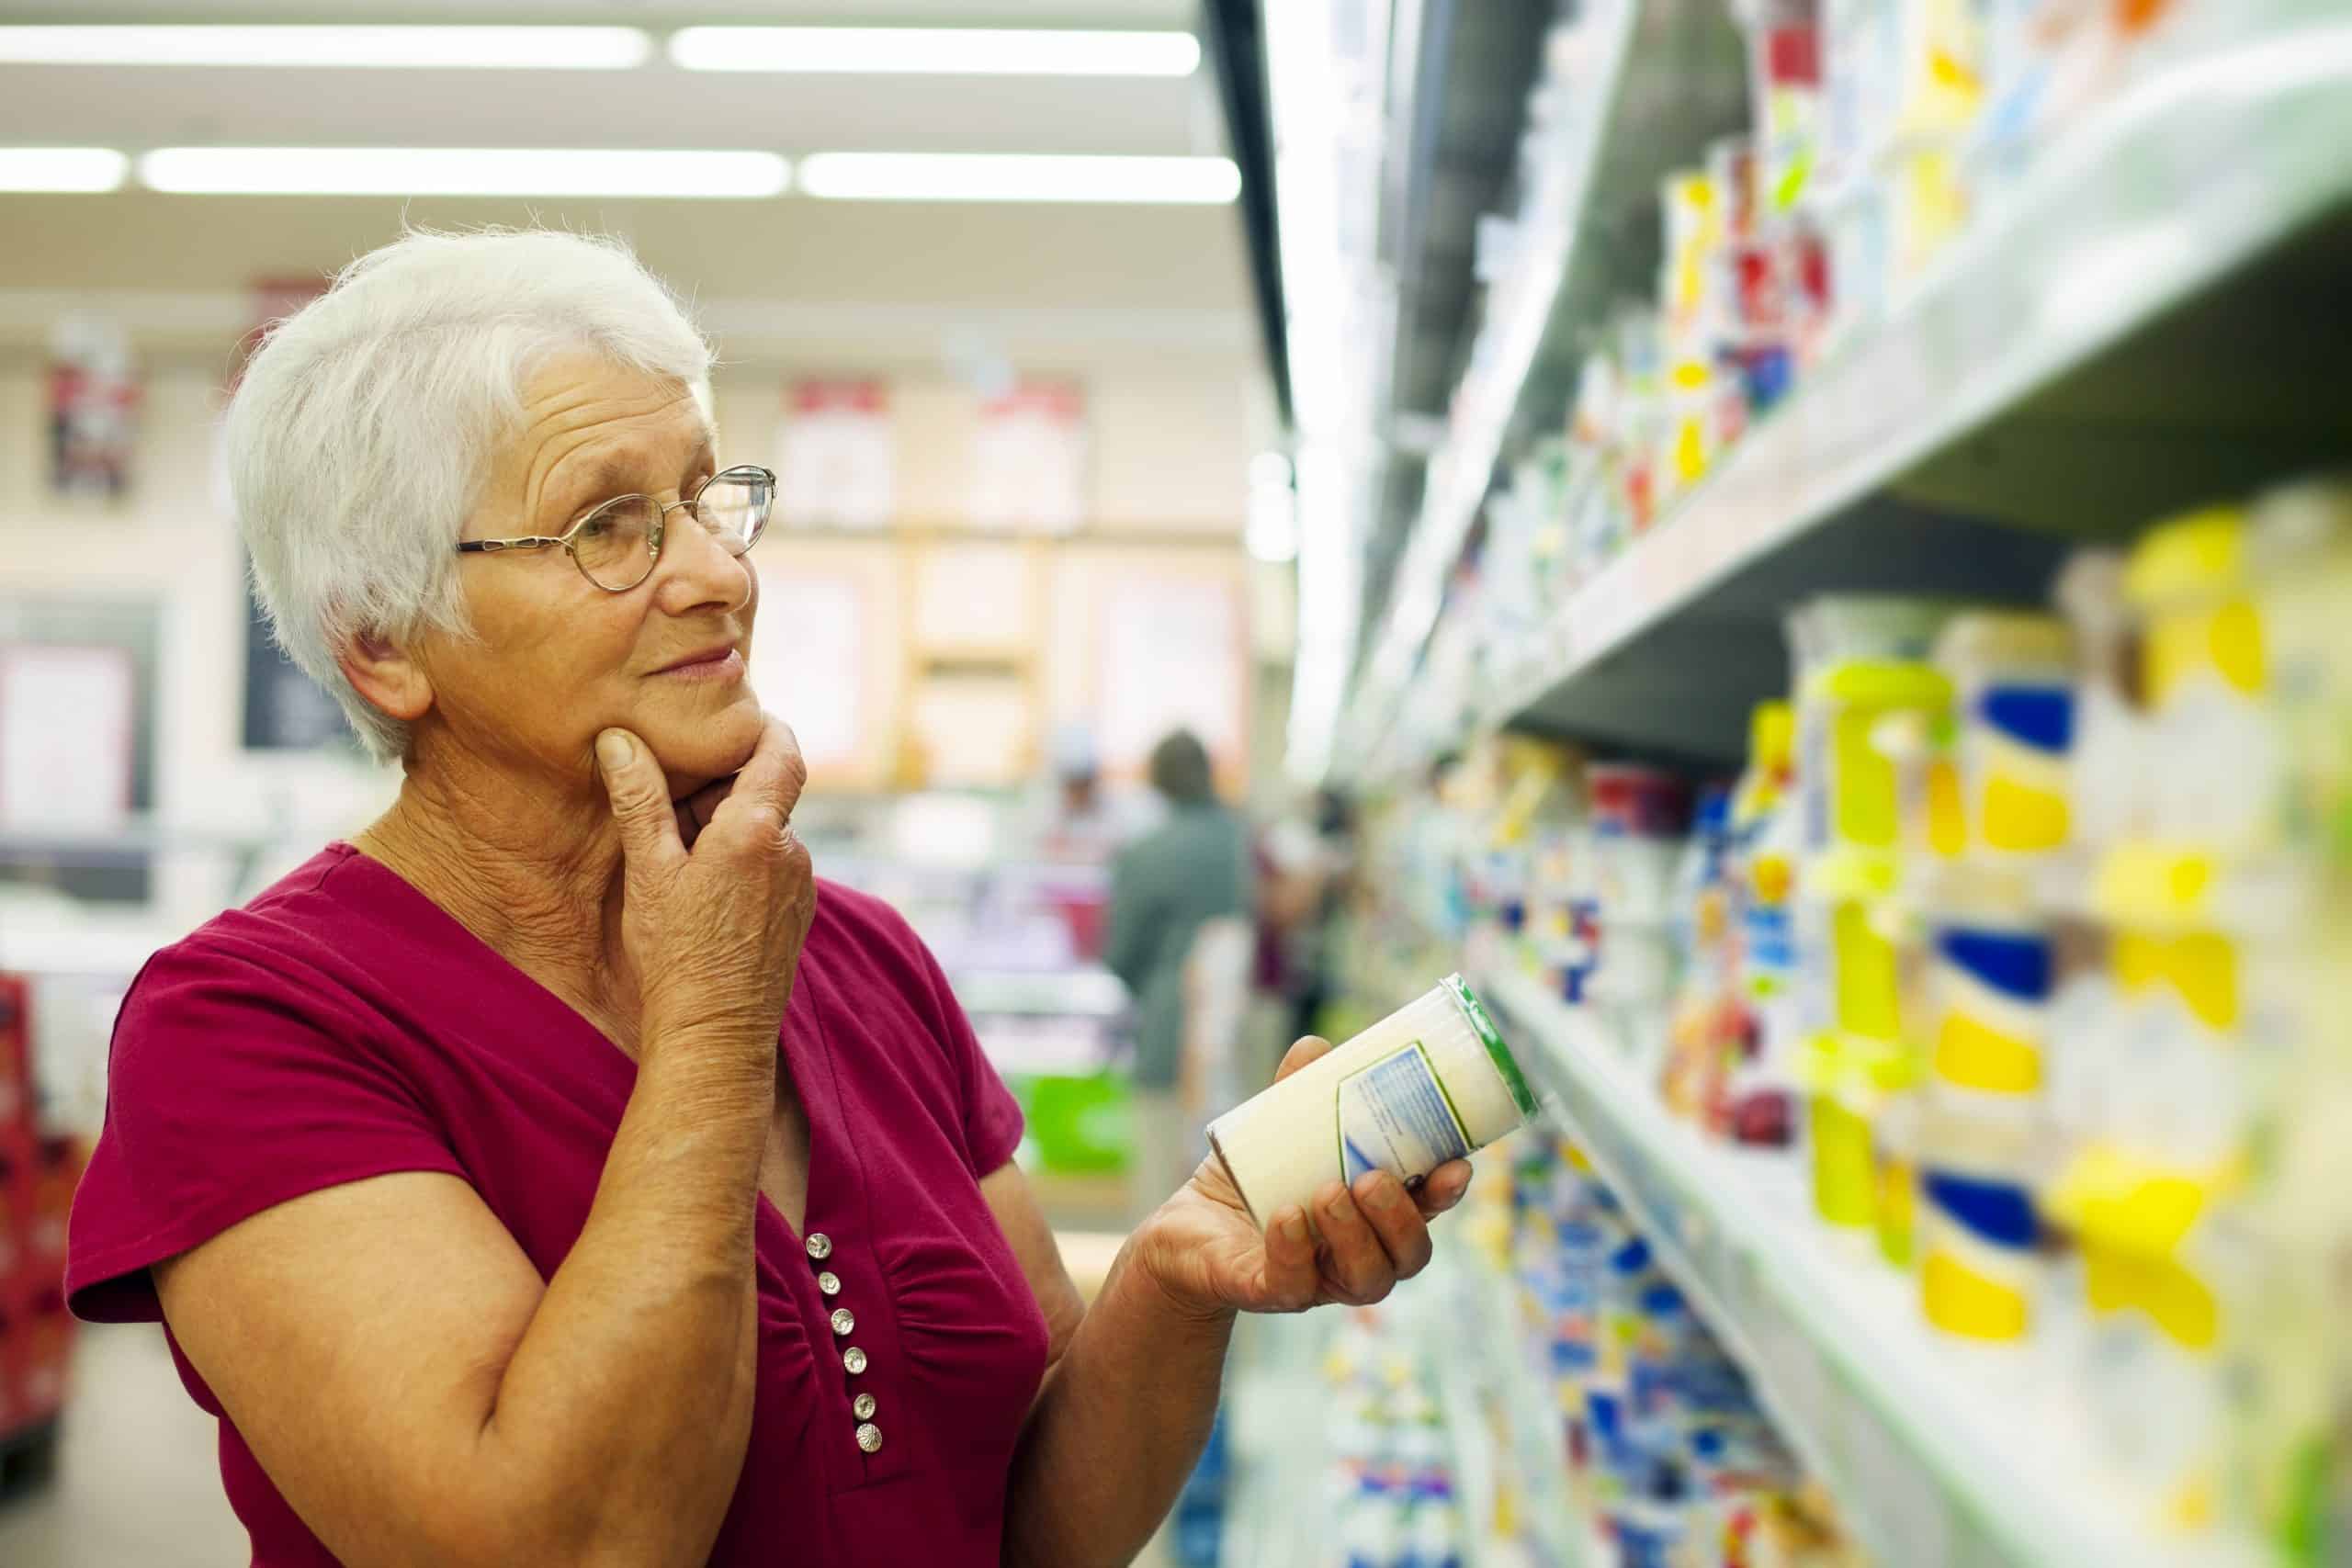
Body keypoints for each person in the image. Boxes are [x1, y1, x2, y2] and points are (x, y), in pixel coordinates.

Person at [62, 230, 1471, 1568]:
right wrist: (716, 1015)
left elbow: (1028, 1527)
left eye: (705, 496)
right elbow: (566, 1543)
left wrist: (1170, 1281)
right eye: (612, 524)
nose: (718, 570)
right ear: (382, 642)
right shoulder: (248, 1025)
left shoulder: (858, 954)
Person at [1103, 729, 1255, 1219]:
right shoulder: (1246, 841)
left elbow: (1120, 956)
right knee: (1238, 1195)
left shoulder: (1145, 853)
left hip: (1170, 1037)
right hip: (1243, 1040)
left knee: (1162, 1201)